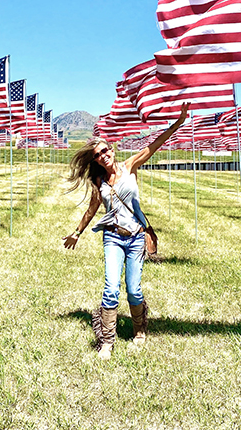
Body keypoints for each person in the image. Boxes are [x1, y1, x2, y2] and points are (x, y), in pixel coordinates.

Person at [63, 103, 190, 360]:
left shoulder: (130, 167)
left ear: (112, 150)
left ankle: (140, 331)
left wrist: (177, 123)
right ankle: (107, 341)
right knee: (111, 287)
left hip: (134, 238)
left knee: (133, 289)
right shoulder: (98, 181)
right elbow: (91, 210)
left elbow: (154, 145)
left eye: (105, 150)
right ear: (95, 159)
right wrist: (77, 232)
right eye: (98, 154)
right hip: (112, 237)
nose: (103, 156)